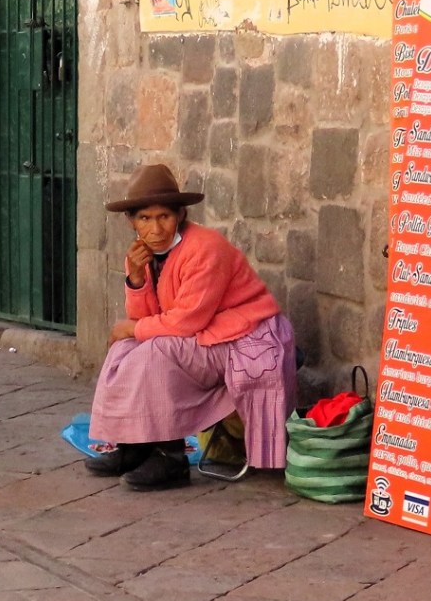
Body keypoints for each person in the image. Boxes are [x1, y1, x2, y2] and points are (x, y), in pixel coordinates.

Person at [86, 164, 298, 490]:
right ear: (131, 222)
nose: (155, 228)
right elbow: (147, 318)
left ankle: (170, 457)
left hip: (246, 340)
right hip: (207, 337)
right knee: (125, 350)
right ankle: (132, 445)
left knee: (157, 352)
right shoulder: (141, 255)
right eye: (144, 219)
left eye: (164, 217)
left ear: (181, 214)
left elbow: (186, 321)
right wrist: (137, 279)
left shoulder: (205, 248)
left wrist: (132, 329)